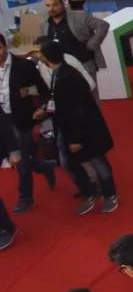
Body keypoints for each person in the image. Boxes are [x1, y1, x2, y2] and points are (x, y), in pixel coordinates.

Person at [36, 40, 118, 214]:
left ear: (48, 56)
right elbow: (60, 102)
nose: (38, 56)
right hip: (70, 129)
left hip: (85, 130)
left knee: (98, 162)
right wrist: (46, 109)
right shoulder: (59, 73)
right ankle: (90, 192)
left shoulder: (67, 76)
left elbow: (77, 110)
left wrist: (75, 139)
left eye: (40, 53)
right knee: (68, 162)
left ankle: (110, 195)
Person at [2, 42, 56, 213]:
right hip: (2, 119)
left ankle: (26, 197)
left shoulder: (23, 65)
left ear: (5, 47)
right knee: (9, 155)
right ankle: (44, 166)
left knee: (20, 159)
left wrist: (29, 94)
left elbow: (42, 89)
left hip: (20, 118)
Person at [41, 0, 110, 73]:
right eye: (48, 6)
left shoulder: (78, 16)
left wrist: (93, 43)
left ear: (62, 4)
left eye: (55, 5)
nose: (51, 9)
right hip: (62, 67)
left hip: (83, 63)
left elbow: (103, 25)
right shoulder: (45, 23)